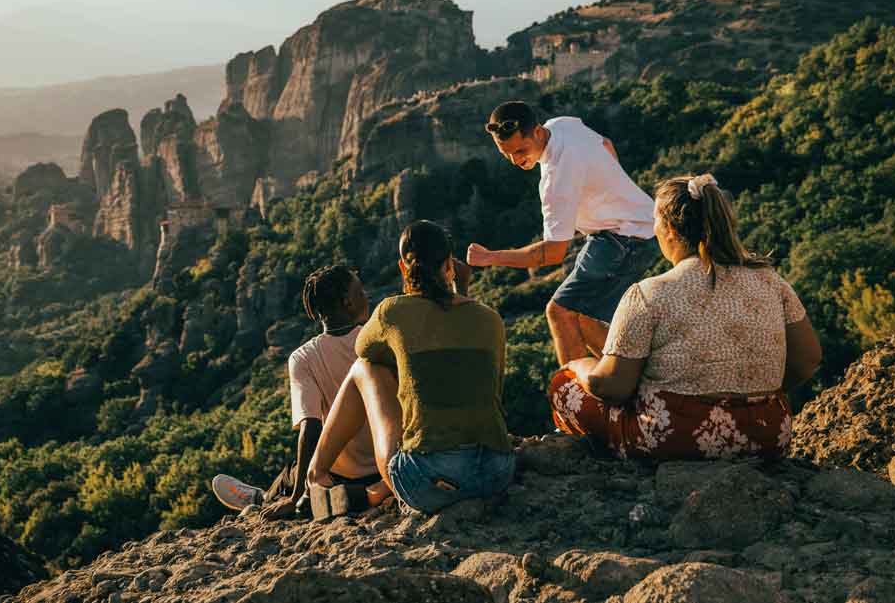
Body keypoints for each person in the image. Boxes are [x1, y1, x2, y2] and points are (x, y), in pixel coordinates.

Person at [547, 174, 823, 460]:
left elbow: (613, 388)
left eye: (655, 221)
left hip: (678, 438)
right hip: (768, 435)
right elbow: (808, 359)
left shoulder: (648, 293)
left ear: (670, 229)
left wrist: (580, 366)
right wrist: (752, 399)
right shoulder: (771, 282)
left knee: (563, 386)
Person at [306, 220, 515, 515]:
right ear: (449, 265)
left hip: (427, 482)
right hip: (497, 473)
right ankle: (375, 493)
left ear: (404, 268)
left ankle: (316, 475)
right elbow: (487, 389)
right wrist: (462, 288)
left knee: (364, 368)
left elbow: (363, 351)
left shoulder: (392, 312)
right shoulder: (490, 319)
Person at [468, 100, 661, 366]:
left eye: (520, 150)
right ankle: (631, 378)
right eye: (507, 154)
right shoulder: (562, 125)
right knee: (581, 318)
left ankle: (576, 401)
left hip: (623, 239)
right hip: (637, 228)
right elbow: (605, 144)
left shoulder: (555, 177)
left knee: (559, 313)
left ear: (536, 132)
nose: (515, 160)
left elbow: (552, 254)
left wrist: (490, 258)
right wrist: (611, 190)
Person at [212, 265, 383, 518]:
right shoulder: (378, 340)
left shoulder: (304, 357)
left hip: (339, 476)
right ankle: (262, 496)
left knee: (293, 472)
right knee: (293, 471)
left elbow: (311, 428)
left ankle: (259, 498)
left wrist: (295, 499)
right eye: (360, 291)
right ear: (348, 303)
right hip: (385, 467)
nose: (365, 295)